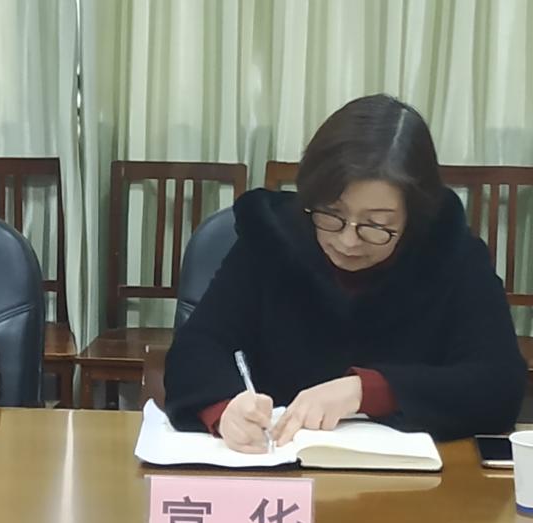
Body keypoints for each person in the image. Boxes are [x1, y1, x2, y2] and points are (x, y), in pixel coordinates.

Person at [164, 94, 526, 453]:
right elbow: (196, 349)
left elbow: (498, 382)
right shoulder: (271, 240)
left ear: (413, 216)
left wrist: (368, 391)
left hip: (412, 481)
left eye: (376, 225)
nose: (348, 241)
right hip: (276, 469)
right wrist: (225, 411)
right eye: (331, 214)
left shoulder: (451, 254)